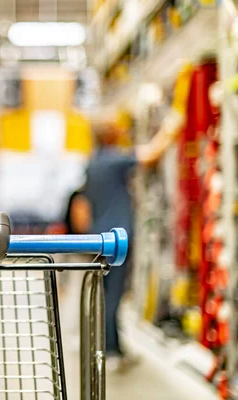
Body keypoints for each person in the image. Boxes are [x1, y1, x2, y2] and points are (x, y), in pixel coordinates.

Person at [83, 110, 184, 371]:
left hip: (98, 236)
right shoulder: (115, 160)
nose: (123, 131)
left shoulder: (93, 163)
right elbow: (151, 154)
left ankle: (108, 346)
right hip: (117, 238)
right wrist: (171, 128)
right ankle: (111, 351)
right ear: (110, 135)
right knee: (114, 295)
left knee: (105, 294)